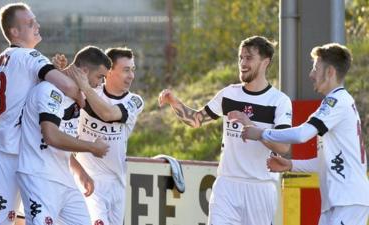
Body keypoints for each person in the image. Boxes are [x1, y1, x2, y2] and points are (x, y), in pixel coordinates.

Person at [158, 36, 292, 225]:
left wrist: (251, 126)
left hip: (260, 188)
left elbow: (283, 146)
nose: (243, 63)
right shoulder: (229, 93)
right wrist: (174, 102)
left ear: (265, 62)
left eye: (249, 58)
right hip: (226, 185)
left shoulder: (279, 101)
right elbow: (196, 120)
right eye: (240, 57)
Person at [242, 43, 369, 225]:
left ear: (330, 72)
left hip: (347, 201)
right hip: (341, 202)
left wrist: (262, 133)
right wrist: (291, 164)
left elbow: (302, 134)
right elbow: (326, 162)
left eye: (315, 68)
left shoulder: (336, 102)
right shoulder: (338, 102)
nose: (311, 74)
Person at [0, 3, 81, 225]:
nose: (37, 25)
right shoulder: (31, 56)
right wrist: (82, 90)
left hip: (11, 151)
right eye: (30, 23)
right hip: (5, 154)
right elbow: (70, 88)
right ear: (14, 32)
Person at [16, 45, 112, 225]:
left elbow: (63, 141)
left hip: (64, 178)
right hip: (39, 177)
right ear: (83, 71)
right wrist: (91, 147)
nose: (100, 84)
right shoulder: (49, 91)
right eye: (100, 77)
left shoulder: (75, 98)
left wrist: (79, 171)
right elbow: (52, 136)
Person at [67, 47, 144, 225]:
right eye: (126, 70)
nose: (131, 76)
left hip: (117, 183)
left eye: (133, 70)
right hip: (89, 179)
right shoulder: (87, 89)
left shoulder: (135, 101)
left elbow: (108, 114)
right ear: (108, 72)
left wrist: (85, 87)